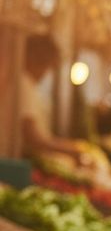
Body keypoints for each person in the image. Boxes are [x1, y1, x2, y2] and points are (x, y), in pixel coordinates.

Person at [21, 33, 87, 161]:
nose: (45, 73)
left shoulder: (28, 85)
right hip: (27, 158)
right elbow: (32, 137)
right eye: (46, 67)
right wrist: (69, 149)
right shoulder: (24, 85)